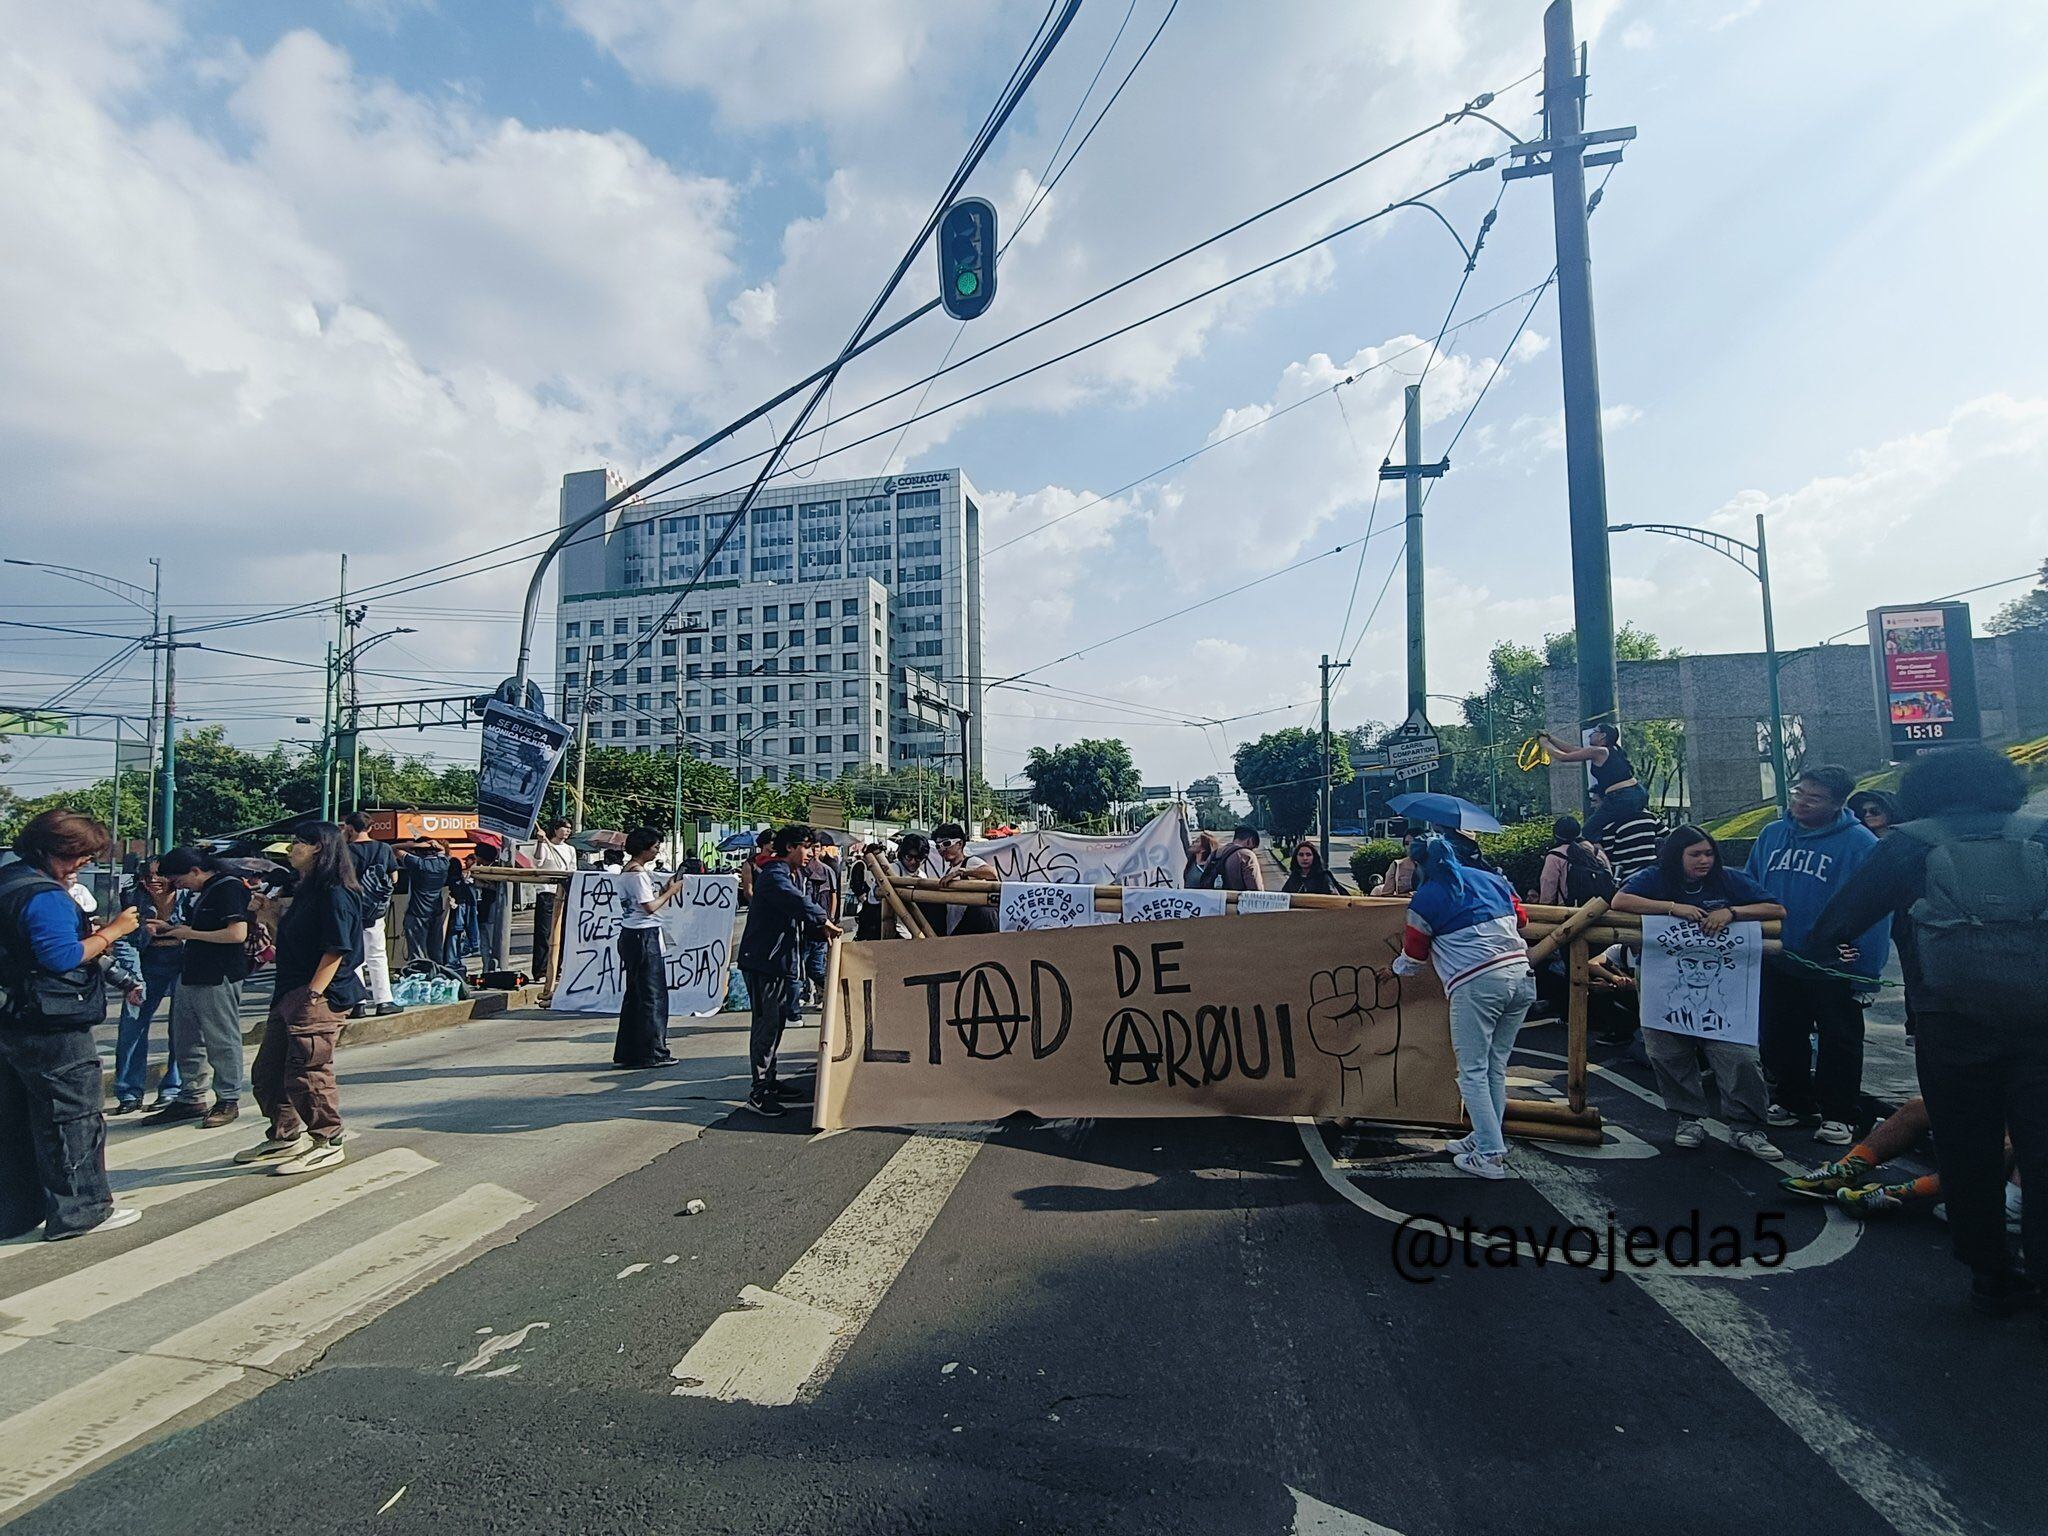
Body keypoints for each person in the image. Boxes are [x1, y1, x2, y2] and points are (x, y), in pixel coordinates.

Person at [1804, 745, 2047, 1319]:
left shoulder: (1908, 845)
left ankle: (1991, 1276)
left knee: (1969, 1151)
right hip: (2042, 1026)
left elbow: (1832, 928)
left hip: (1948, 1025)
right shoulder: (2039, 835)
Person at [0, 811, 144, 1241]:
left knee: (15, 1120)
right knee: (73, 1117)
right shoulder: (44, 896)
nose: (82, 863)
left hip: (12, 1019)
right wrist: (113, 932)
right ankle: (83, 1211)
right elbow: (60, 957)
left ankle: (17, 1212)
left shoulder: (8, 881)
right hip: (53, 1023)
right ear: (51, 851)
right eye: (77, 855)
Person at [1611, 826, 1788, 1160]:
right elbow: (1620, 900)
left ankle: (1747, 1126)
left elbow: (1776, 909)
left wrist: (1732, 912)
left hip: (1726, 984)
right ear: (1676, 856)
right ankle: (1687, 1118)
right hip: (1664, 981)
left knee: (1740, 1056)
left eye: (1709, 853)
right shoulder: (1654, 877)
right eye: (1695, 854)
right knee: (1667, 1051)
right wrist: (1672, 908)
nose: (1704, 860)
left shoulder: (1729, 880)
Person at [1745, 765, 1888, 1147]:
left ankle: (1839, 1113)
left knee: (1839, 1039)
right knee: (1780, 1036)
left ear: (1838, 803)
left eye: (1813, 797)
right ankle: (1794, 1101)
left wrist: (1866, 974)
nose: (1801, 802)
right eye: (1798, 792)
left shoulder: (1860, 844)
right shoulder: (1773, 833)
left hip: (1834, 965)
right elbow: (1749, 886)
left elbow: (1875, 910)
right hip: (1777, 956)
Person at [1392, 834, 1536, 1180]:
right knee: (1493, 1068)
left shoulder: (1425, 900)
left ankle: (1489, 1154)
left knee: (1471, 1071)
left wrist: (1392, 969)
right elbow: (1523, 919)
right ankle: (1487, 1136)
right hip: (1522, 975)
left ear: (1418, 864)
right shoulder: (1492, 879)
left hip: (1477, 985)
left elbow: (1414, 957)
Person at [238, 822, 364, 1175]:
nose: (291, 848)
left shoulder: (337, 892)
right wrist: (268, 914)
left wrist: (313, 994)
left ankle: (328, 1138)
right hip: (289, 990)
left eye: (299, 843)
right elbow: (292, 943)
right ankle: (284, 1134)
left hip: (320, 995)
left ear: (319, 848)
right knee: (268, 1071)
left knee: (308, 1071)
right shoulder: (304, 888)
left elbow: (337, 948)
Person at [143, 846, 253, 1128]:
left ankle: (228, 1097)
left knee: (220, 1038)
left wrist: (188, 933)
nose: (178, 887)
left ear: (195, 870)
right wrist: (170, 928)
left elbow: (236, 933)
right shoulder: (205, 891)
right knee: (185, 1039)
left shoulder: (228, 888)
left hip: (219, 974)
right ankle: (191, 1096)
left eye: (179, 880)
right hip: (192, 971)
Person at [735, 825, 840, 1115]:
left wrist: (821, 928)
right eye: (806, 847)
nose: (811, 853)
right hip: (763, 962)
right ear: (790, 848)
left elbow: (799, 915)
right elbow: (797, 903)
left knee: (777, 1023)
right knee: (766, 1027)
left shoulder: (797, 874)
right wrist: (822, 919)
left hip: (781, 961)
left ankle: (770, 1081)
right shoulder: (774, 876)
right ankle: (759, 1092)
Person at [111, 856, 185, 1112]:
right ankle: (129, 1092)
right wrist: (134, 980)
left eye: (160, 875)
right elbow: (124, 940)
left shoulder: (190, 896)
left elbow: (200, 929)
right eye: (148, 876)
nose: (154, 881)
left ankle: (173, 1088)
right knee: (132, 1024)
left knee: (181, 1027)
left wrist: (171, 928)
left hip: (184, 962)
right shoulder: (133, 898)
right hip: (147, 960)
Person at [1847, 788, 1921, 1037]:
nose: (1868, 815)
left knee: (1913, 964)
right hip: (1873, 907)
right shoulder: (1859, 841)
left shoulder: (1907, 840)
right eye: (1864, 811)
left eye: (1875, 810)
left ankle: (1915, 1023)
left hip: (1905, 909)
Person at [613, 826, 683, 1070]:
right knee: (653, 996)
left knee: (636, 995)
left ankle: (630, 1051)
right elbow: (649, 907)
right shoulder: (638, 874)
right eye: (654, 847)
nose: (657, 851)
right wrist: (671, 893)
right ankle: (654, 1051)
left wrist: (662, 892)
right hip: (643, 935)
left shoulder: (628, 872)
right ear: (644, 848)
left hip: (632, 934)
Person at [1540, 724, 1648, 845]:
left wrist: (1543, 742)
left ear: (1602, 736)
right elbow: (1573, 750)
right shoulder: (1610, 750)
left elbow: (1563, 757)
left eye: (1594, 731)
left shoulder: (1599, 751)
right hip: (1636, 793)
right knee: (1616, 826)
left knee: (1589, 831)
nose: (1591, 735)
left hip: (1622, 797)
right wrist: (1550, 738)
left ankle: (1600, 859)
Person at [343, 813, 400, 1018]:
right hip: (376, 909)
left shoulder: (345, 851)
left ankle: (358, 1003)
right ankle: (384, 1001)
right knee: (377, 954)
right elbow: (394, 877)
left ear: (350, 828)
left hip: (350, 908)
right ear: (370, 828)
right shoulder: (383, 849)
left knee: (353, 957)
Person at [931, 823, 998, 936]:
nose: (942, 849)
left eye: (946, 844)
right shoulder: (948, 871)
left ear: (960, 844)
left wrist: (962, 872)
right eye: (938, 846)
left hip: (970, 929)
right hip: (954, 928)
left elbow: (992, 873)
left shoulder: (971, 862)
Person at [397, 838, 452, 969]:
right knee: (435, 949)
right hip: (436, 911)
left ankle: (419, 976)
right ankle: (438, 974)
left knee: (417, 951)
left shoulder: (417, 864)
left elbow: (393, 848)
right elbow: (445, 853)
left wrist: (412, 844)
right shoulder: (443, 863)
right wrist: (436, 845)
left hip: (417, 912)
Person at [1538, 816, 1615, 907]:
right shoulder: (1596, 852)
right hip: (1601, 909)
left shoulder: (1555, 856)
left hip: (1569, 913)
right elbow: (1609, 878)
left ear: (1556, 835)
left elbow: (1548, 889)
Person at [1592, 790, 1661, 881]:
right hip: (1651, 875)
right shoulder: (1649, 816)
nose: (1592, 806)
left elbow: (1608, 859)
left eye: (1595, 801)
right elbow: (1667, 836)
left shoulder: (1609, 827)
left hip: (1625, 880)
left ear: (1606, 802)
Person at [1219, 826, 1266, 893]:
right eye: (1252, 848)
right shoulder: (1247, 855)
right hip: (1237, 901)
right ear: (1249, 841)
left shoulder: (1216, 852)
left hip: (1214, 900)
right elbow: (1256, 889)